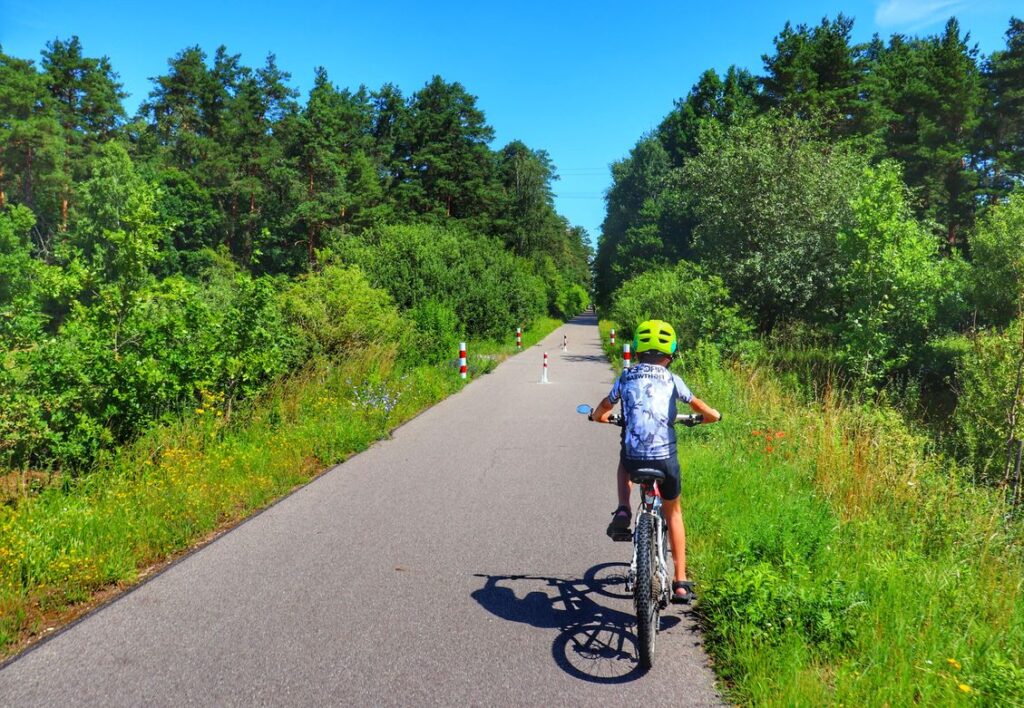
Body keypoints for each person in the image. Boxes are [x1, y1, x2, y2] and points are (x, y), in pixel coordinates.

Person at [588, 319, 721, 604]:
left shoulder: (626, 377)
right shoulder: (673, 380)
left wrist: (597, 416)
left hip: (635, 461)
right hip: (665, 461)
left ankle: (623, 509)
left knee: (624, 458)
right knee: (674, 512)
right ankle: (681, 582)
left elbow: (603, 408)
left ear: (636, 350)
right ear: (671, 353)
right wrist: (712, 416)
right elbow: (700, 408)